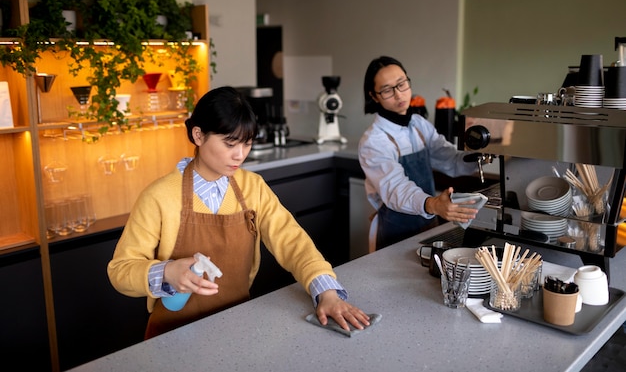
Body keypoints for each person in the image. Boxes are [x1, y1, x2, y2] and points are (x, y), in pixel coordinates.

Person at [108, 86, 370, 338]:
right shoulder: (158, 196)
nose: (240, 155)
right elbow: (120, 270)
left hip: (235, 325)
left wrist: (327, 292)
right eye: (230, 143)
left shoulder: (252, 187)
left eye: (247, 144)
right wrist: (166, 272)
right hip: (172, 334)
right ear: (198, 135)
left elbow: (292, 240)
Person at [358, 56, 479, 250]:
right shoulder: (374, 141)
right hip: (394, 231)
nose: (399, 95)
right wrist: (433, 205)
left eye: (401, 84)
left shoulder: (419, 124)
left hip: (428, 224)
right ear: (374, 96)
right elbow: (396, 189)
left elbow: (451, 160)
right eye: (388, 90)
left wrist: (481, 151)